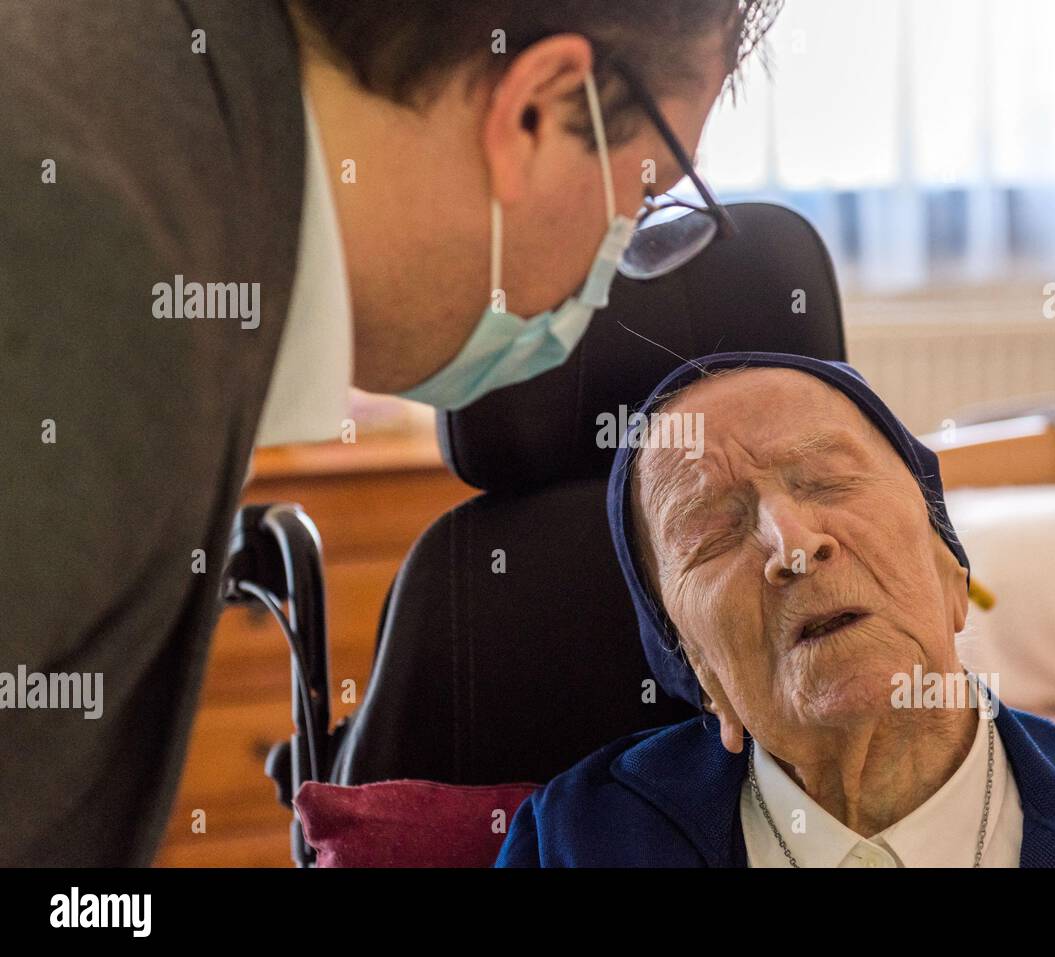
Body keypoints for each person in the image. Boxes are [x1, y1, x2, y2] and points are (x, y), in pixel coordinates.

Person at [0, 0, 780, 866]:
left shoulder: (161, 130)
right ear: (533, 113)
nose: (615, 270)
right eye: (640, 201)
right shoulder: (92, 262)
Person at [495, 352, 1055, 867]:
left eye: (827, 480)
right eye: (713, 533)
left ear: (950, 568)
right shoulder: (576, 843)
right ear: (700, 672)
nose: (794, 544)